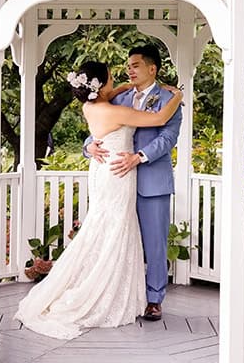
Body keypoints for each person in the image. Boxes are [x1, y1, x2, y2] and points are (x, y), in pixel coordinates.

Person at [14, 61, 183, 340]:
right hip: (118, 174)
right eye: (112, 77)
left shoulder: (91, 105)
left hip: (107, 173)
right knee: (113, 230)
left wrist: (129, 86)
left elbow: (156, 130)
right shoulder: (116, 108)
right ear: (100, 85)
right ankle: (102, 291)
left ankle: (137, 295)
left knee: (108, 230)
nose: (120, 79)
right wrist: (177, 96)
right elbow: (158, 120)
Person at [85, 45, 182, 322]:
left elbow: (168, 138)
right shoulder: (120, 98)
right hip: (118, 181)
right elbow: (99, 127)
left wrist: (139, 157)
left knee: (154, 243)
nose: (130, 70)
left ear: (153, 69)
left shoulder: (170, 99)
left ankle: (154, 299)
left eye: (136, 65)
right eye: (128, 65)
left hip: (152, 180)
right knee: (117, 239)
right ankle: (119, 294)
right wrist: (88, 147)